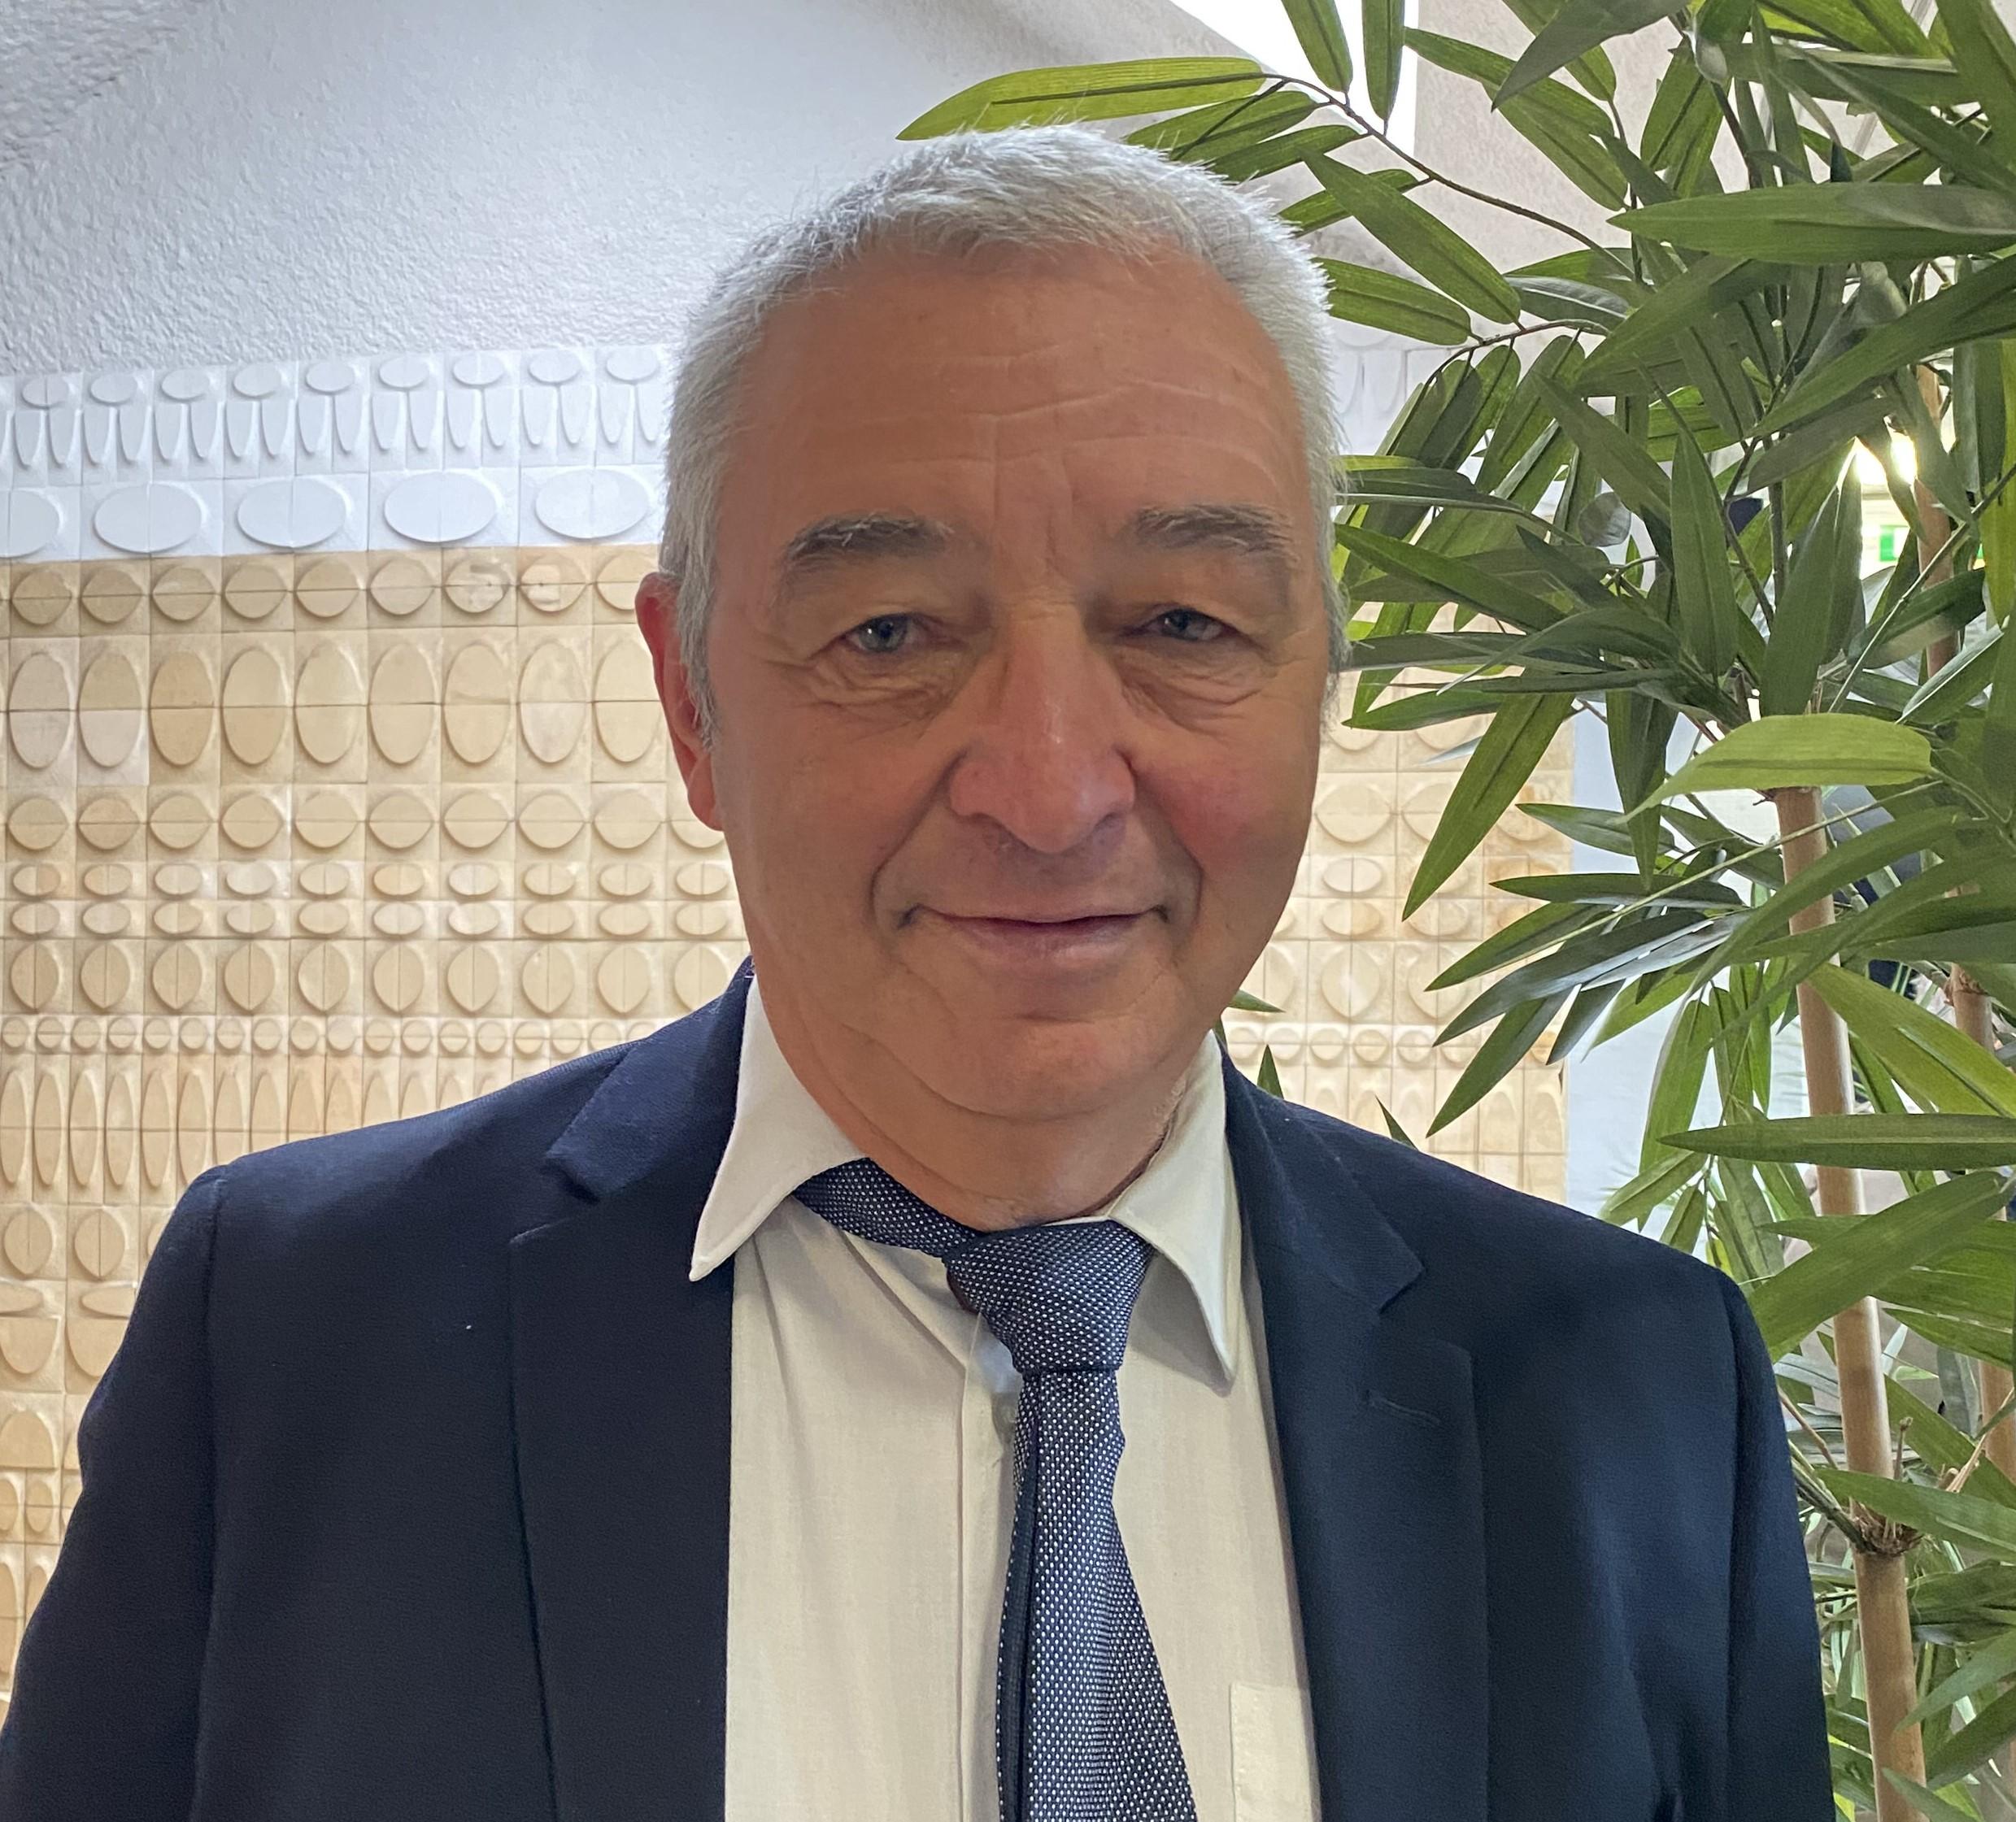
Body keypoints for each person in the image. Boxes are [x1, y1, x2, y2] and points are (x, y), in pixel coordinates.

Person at [0, 124, 1831, 1822]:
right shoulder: (296, 1336)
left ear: (1315, 679)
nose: (1050, 789)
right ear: (691, 701)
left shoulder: (1632, 1392)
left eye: (1181, 622)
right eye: (887, 632)